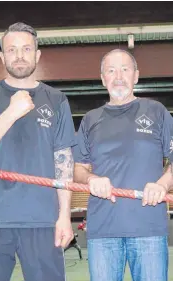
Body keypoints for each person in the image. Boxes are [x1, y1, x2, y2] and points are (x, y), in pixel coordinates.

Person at [0, 22, 76, 281]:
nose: (19, 55)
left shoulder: (57, 100)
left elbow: (64, 164)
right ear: (2, 56)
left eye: (26, 49)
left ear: (37, 54)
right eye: (11, 50)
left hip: (43, 222)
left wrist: (64, 216)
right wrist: (11, 112)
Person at [73, 49, 173, 281]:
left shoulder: (156, 112)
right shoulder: (90, 119)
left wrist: (162, 184)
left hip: (148, 229)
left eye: (125, 69)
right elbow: (78, 169)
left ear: (136, 76)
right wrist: (91, 179)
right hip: (103, 232)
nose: (118, 76)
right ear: (102, 78)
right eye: (111, 70)